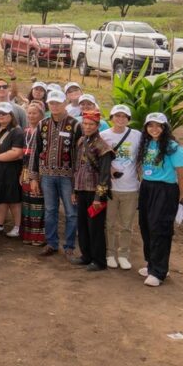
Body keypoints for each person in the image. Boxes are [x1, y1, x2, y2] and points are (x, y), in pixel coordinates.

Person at [136, 112, 183, 287]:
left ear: (165, 128)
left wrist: (177, 198)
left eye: (159, 126)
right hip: (147, 187)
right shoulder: (146, 143)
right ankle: (152, 264)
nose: (154, 129)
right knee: (146, 226)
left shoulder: (174, 148)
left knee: (160, 229)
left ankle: (158, 271)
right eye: (150, 125)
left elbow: (182, 175)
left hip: (165, 190)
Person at [30, 90, 79, 260]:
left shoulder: (75, 125)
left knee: (71, 212)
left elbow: (80, 154)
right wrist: (34, 177)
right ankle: (51, 243)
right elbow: (36, 151)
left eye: (58, 103)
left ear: (65, 104)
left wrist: (77, 181)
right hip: (47, 176)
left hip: (68, 177)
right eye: (52, 103)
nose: (55, 106)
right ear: (48, 104)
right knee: (50, 210)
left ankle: (69, 246)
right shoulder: (42, 124)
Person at [71, 111, 114, 271]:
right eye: (85, 123)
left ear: (97, 126)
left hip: (95, 193)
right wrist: (74, 190)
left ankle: (99, 261)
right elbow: (77, 167)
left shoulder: (103, 147)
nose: (87, 127)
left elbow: (104, 175)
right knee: (82, 225)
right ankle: (86, 256)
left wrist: (98, 197)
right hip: (82, 189)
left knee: (95, 227)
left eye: (91, 124)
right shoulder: (82, 141)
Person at [100, 105, 141, 270]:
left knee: (126, 225)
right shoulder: (103, 135)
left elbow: (142, 157)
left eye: (124, 116)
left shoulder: (137, 135)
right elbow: (97, 159)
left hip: (130, 188)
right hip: (111, 188)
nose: (120, 119)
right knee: (109, 224)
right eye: (117, 116)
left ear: (129, 119)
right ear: (111, 118)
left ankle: (123, 254)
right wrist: (109, 169)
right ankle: (109, 254)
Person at [0, 103, 26, 237]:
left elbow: (17, 152)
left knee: (13, 199)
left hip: (11, 170)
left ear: (11, 115)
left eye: (4, 113)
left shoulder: (17, 131)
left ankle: (18, 226)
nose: (1, 116)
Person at [20, 101, 46, 247]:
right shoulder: (25, 131)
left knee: (38, 202)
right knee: (27, 203)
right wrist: (21, 172)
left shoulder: (44, 131)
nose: (31, 116)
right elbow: (23, 155)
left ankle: (39, 236)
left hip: (39, 171)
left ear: (41, 115)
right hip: (25, 171)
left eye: (34, 113)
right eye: (29, 113)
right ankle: (27, 234)